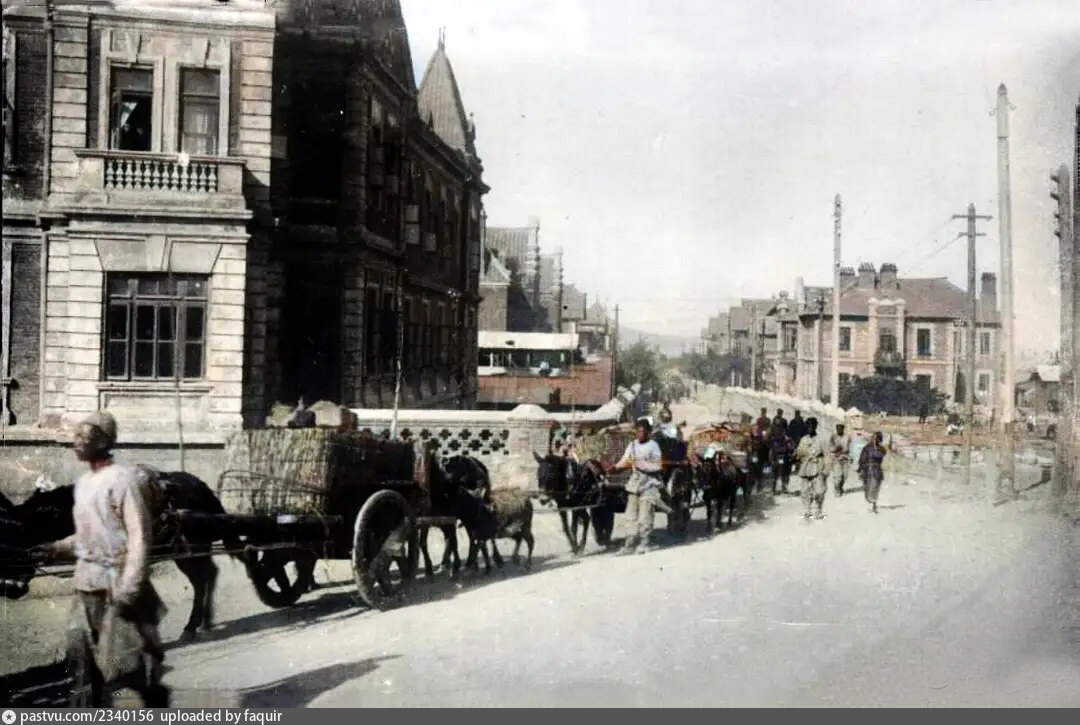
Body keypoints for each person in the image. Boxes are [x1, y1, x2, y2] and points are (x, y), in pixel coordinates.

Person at [34, 412, 170, 707]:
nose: (77, 441)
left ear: (104, 442)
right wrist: (57, 547)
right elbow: (88, 536)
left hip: (116, 585)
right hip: (86, 584)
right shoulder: (84, 483)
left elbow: (139, 536)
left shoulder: (123, 480)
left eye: (85, 436)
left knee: (126, 669)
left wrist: (129, 588)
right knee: (80, 662)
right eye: (76, 435)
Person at [608, 418, 672, 555]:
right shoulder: (632, 445)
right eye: (638, 431)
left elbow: (657, 466)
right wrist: (614, 468)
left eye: (643, 432)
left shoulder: (653, 446)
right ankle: (629, 544)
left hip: (649, 484)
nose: (640, 434)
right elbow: (625, 461)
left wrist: (641, 464)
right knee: (630, 516)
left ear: (648, 432)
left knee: (645, 516)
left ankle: (644, 543)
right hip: (634, 484)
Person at [794, 417, 828, 520]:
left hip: (818, 467)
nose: (810, 428)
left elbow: (827, 455)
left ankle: (818, 509)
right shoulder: (803, 439)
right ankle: (807, 510)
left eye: (812, 426)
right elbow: (799, 454)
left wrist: (826, 470)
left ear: (815, 426)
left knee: (819, 491)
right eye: (808, 426)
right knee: (805, 491)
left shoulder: (821, 439)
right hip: (805, 467)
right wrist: (799, 455)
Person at [858, 431, 888, 514]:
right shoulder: (867, 448)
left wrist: (876, 447)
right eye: (874, 438)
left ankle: (874, 505)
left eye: (877, 438)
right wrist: (860, 469)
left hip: (877, 470)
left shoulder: (881, 448)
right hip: (867, 470)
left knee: (875, 487)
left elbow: (879, 455)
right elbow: (862, 459)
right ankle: (870, 503)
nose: (875, 440)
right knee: (868, 488)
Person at [768, 424, 794, 495]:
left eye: (782, 431)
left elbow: (792, 449)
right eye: (779, 431)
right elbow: (771, 450)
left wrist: (790, 449)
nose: (780, 433)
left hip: (785, 459)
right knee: (775, 475)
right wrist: (771, 460)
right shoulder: (774, 440)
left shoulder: (788, 439)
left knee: (784, 474)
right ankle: (774, 489)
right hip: (776, 458)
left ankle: (783, 489)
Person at [828, 423, 852, 497]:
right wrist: (836, 448)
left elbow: (851, 446)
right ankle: (837, 489)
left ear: (843, 428)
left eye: (840, 428)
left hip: (845, 457)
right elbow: (830, 447)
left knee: (845, 476)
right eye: (837, 428)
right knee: (838, 476)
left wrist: (851, 456)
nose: (839, 430)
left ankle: (840, 487)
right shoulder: (833, 437)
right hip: (836, 458)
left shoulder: (847, 437)